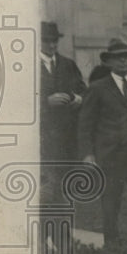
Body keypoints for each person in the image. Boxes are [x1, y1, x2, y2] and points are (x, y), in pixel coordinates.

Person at [77, 38, 127, 245]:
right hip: (110, 156)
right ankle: (112, 247)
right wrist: (88, 154)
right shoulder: (97, 89)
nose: (124, 61)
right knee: (111, 204)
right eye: (118, 58)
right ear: (109, 62)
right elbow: (85, 124)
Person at [39, 21, 86, 199]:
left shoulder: (68, 65)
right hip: (42, 139)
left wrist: (79, 98)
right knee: (45, 190)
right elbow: (18, 102)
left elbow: (84, 91)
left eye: (55, 41)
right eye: (46, 41)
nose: (52, 45)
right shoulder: (27, 66)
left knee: (66, 191)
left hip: (67, 138)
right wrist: (45, 102)